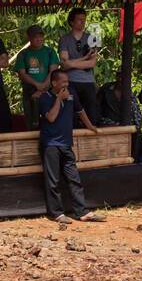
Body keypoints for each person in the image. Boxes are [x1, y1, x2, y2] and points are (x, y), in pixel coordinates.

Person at [38, 67, 104, 225]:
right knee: (53, 181)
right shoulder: (45, 97)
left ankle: (81, 211)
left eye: (67, 81)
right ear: (54, 83)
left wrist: (91, 127)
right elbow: (51, 118)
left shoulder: (72, 95)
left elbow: (81, 111)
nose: (66, 84)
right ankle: (57, 214)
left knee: (74, 178)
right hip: (51, 145)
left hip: (66, 144)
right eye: (63, 82)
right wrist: (59, 99)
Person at [11, 24, 59, 130]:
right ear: (29, 38)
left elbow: (54, 71)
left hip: (48, 89)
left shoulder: (50, 52)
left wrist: (42, 89)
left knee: (51, 118)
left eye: (40, 36)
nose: (39, 39)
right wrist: (37, 85)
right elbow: (22, 74)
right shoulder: (23, 54)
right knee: (32, 122)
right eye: (35, 36)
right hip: (30, 90)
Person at [58, 7, 100, 125]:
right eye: (79, 19)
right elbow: (64, 65)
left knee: (92, 112)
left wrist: (71, 63)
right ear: (71, 22)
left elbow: (92, 63)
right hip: (70, 80)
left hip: (88, 81)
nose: (82, 22)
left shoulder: (92, 38)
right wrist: (81, 61)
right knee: (71, 112)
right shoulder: (64, 39)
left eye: (84, 19)